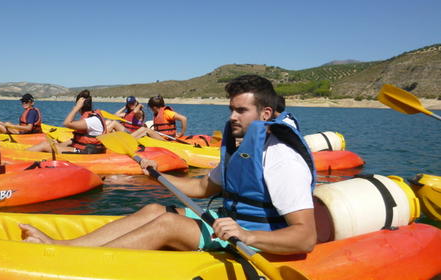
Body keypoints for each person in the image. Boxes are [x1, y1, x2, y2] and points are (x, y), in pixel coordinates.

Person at [20, 75, 317, 255]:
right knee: (154, 210)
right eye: (231, 110)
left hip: (256, 237)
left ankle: (71, 259)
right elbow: (202, 186)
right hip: (230, 221)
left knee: (168, 223)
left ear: (266, 113)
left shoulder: (282, 158)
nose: (233, 117)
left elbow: (304, 237)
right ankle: (68, 247)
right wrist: (155, 175)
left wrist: (248, 236)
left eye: (241, 110)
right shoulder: (241, 149)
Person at [27, 90, 107, 154]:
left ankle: (19, 155)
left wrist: (75, 108)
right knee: (50, 145)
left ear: (80, 106)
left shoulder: (91, 121)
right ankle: (25, 153)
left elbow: (66, 123)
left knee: (44, 146)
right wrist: (57, 145)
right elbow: (74, 141)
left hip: (88, 152)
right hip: (86, 149)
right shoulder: (91, 118)